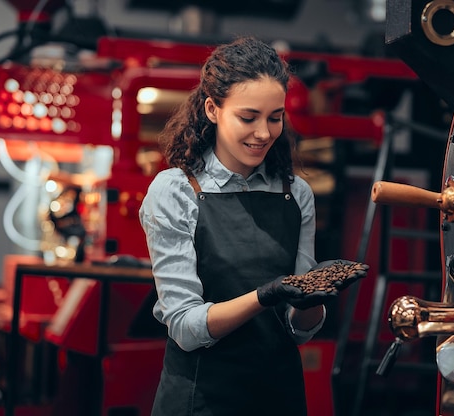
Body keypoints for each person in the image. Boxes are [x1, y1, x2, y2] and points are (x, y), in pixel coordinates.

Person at [139, 36, 368, 416]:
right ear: (212, 109)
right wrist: (265, 296)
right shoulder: (177, 190)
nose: (264, 133)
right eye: (248, 118)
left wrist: (310, 299)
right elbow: (185, 326)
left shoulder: (296, 194)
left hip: (278, 396)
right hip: (202, 399)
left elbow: (298, 330)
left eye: (275, 118)